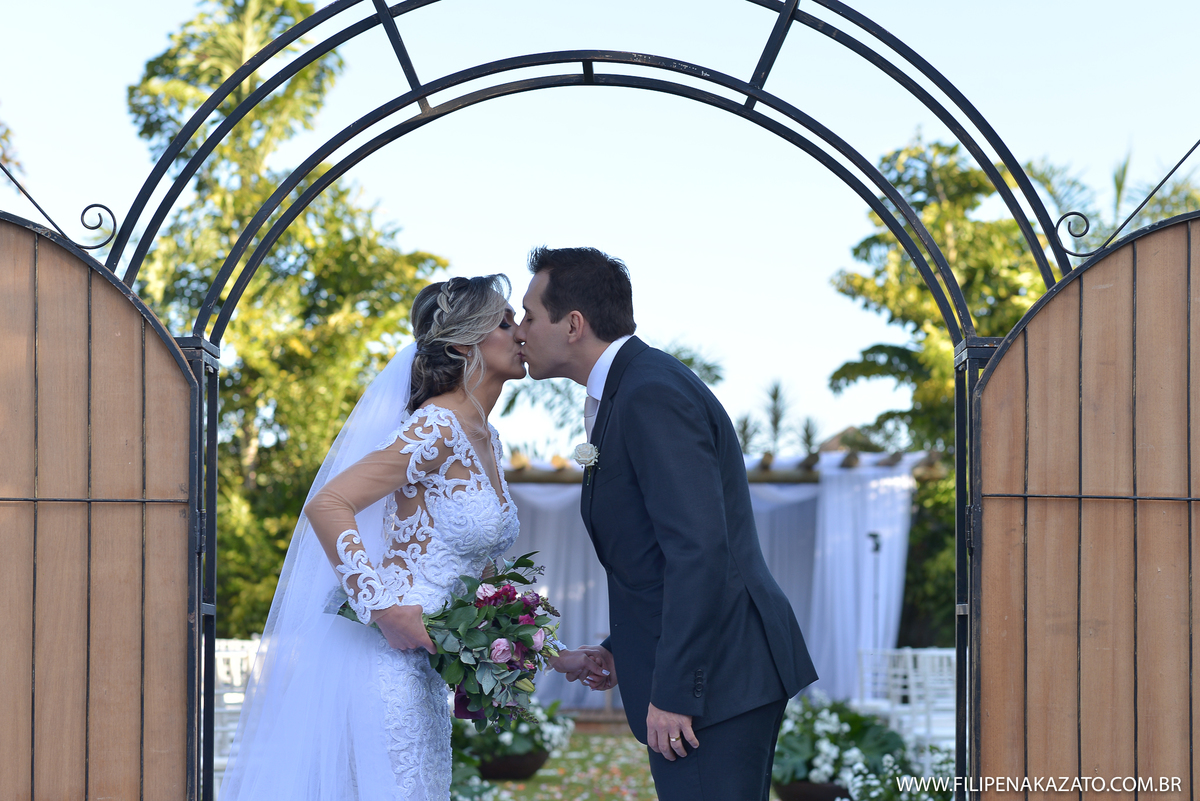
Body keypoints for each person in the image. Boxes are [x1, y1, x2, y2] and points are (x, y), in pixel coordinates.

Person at [220, 274, 602, 801]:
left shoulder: (486, 437)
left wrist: (554, 653)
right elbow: (328, 504)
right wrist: (381, 607)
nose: (520, 333)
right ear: (462, 345)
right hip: (388, 665)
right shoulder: (435, 427)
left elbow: (483, 576)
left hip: (429, 667)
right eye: (504, 322)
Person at [514, 247, 819, 801]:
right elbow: (654, 553)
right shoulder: (630, 388)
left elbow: (699, 549)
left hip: (719, 680)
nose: (519, 331)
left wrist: (678, 691)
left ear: (573, 325)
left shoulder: (649, 392)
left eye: (529, 316)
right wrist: (622, 646)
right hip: (717, 669)